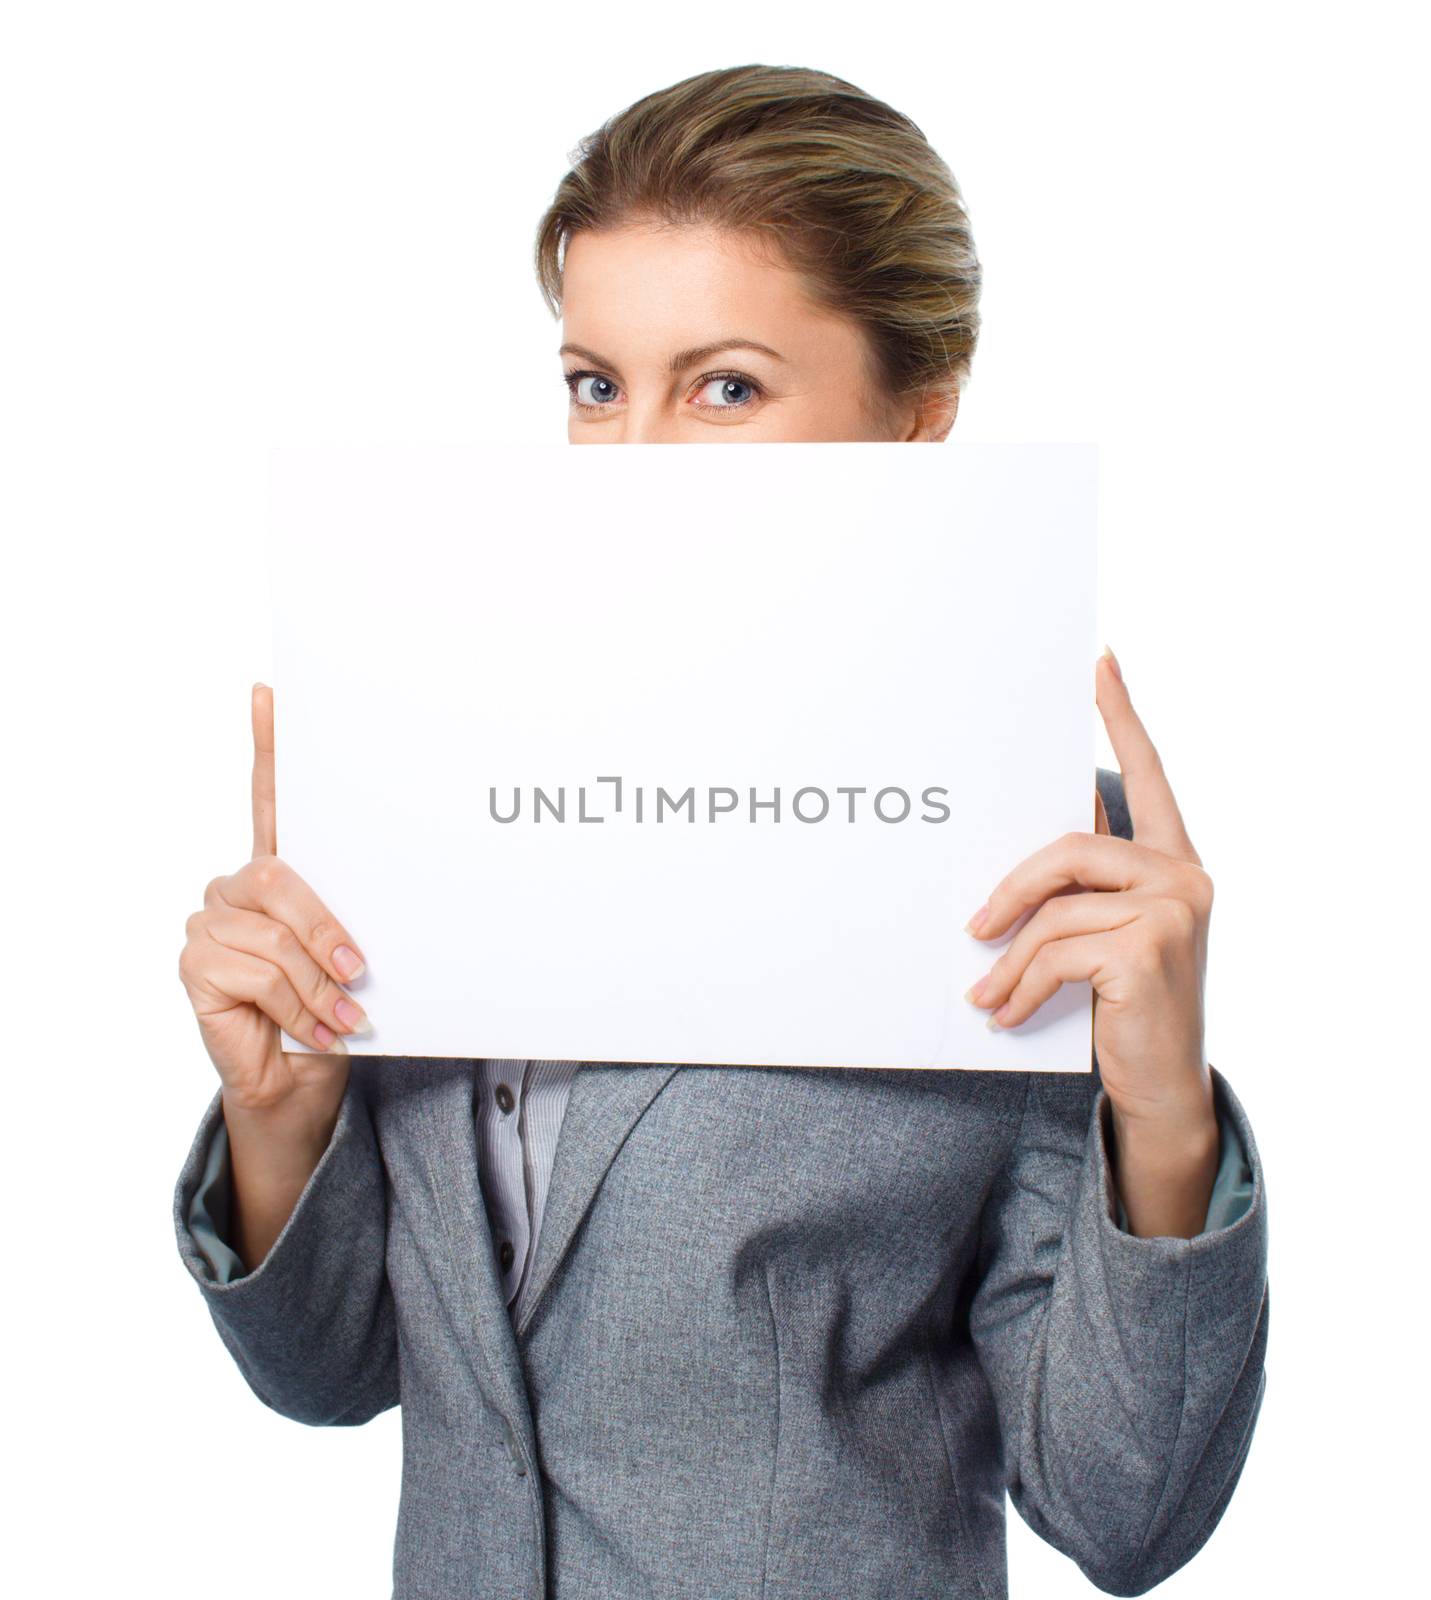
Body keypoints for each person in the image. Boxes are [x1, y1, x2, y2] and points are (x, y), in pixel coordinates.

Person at [173, 63, 1267, 1599]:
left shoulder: (1035, 866)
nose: (629, 465)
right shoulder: (432, 773)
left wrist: (1163, 1120)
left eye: (727, 387)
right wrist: (285, 1125)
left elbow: (1123, 1513)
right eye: (595, 384)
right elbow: (336, 1373)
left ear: (916, 425)